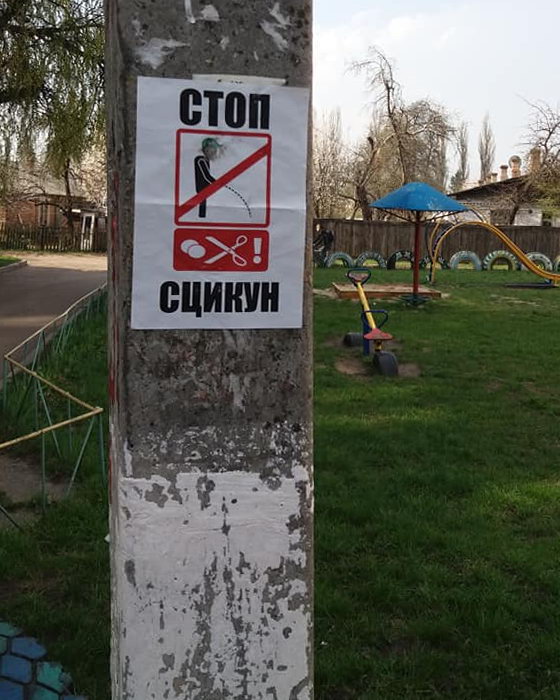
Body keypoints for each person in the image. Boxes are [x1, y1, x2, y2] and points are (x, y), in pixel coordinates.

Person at [194, 137, 220, 218]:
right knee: (202, 202)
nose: (213, 153)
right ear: (205, 150)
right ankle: (201, 217)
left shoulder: (206, 160)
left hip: (206, 187)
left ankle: (202, 217)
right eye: (211, 151)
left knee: (203, 202)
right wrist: (217, 183)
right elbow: (206, 176)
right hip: (201, 187)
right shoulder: (200, 160)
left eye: (214, 151)